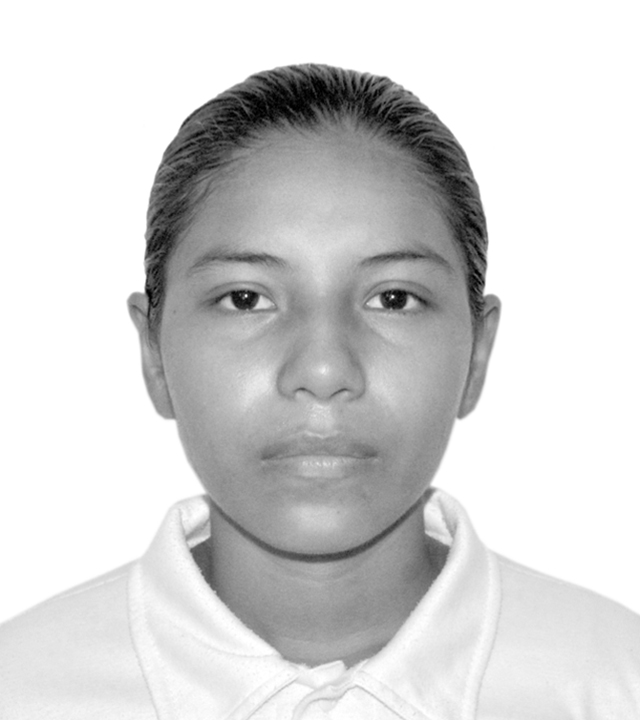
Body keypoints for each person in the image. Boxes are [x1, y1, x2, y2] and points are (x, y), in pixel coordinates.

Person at [1, 63, 638, 719]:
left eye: (393, 299)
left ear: (477, 353)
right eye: (245, 299)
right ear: (153, 353)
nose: (325, 369)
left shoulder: (616, 684)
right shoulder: (20, 690)